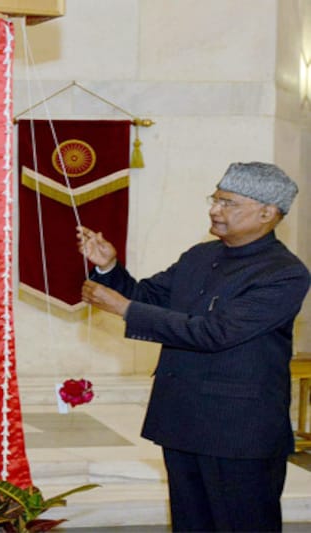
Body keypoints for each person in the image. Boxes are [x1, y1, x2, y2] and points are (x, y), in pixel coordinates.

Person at [77, 161, 310, 532]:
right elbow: (147, 296)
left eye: (228, 203)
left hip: (238, 433)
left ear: (268, 213)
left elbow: (215, 333)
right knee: (190, 524)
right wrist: (109, 267)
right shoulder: (201, 256)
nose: (214, 210)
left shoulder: (284, 273)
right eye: (215, 199)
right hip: (183, 420)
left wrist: (125, 309)